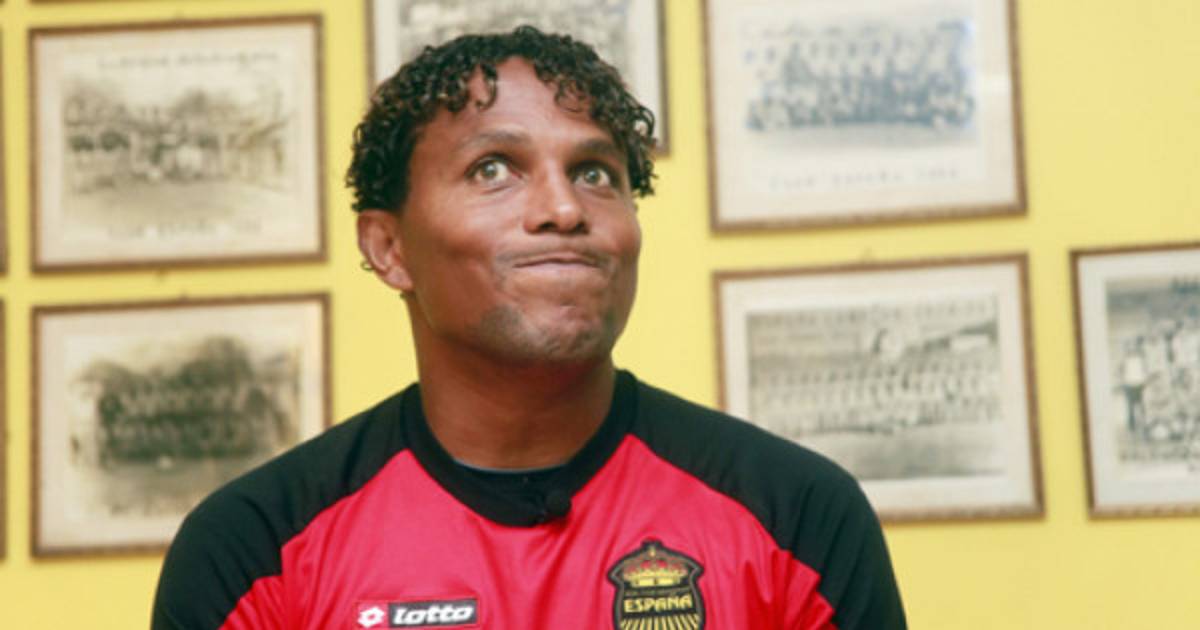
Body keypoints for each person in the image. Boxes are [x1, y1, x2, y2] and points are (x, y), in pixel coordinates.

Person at [151, 26, 906, 629]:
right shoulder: (256, 551)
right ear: (389, 248)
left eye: (595, 173)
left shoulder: (795, 518)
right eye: (493, 169)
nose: (565, 209)